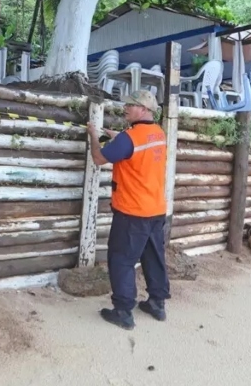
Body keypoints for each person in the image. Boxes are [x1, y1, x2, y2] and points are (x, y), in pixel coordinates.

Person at [86, 90, 169, 330]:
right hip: (155, 210)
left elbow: (99, 158)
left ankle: (123, 311)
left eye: (130, 105)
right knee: (154, 256)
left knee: (121, 260)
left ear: (143, 109)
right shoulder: (158, 133)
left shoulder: (129, 138)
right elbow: (135, 147)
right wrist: (119, 137)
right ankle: (157, 303)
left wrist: (93, 135)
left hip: (133, 212)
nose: (125, 107)